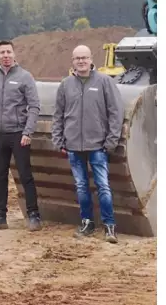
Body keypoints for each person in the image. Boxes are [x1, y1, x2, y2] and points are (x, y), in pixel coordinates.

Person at [51, 44, 123, 243]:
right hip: (74, 146)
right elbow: (58, 116)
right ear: (72, 62)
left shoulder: (104, 82)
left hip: (98, 146)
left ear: (91, 59)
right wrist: (58, 140)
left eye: (84, 57)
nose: (81, 61)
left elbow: (116, 113)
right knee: (81, 186)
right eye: (77, 58)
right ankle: (87, 222)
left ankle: (109, 226)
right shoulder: (66, 85)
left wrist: (110, 142)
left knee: (103, 186)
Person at [0, 40, 43, 232]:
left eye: (9, 52)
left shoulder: (25, 77)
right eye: (2, 52)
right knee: (0, 176)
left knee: (25, 175)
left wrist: (28, 131)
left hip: (19, 135)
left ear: (14, 54)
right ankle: (0, 216)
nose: (6, 55)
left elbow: (34, 106)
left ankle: (34, 215)